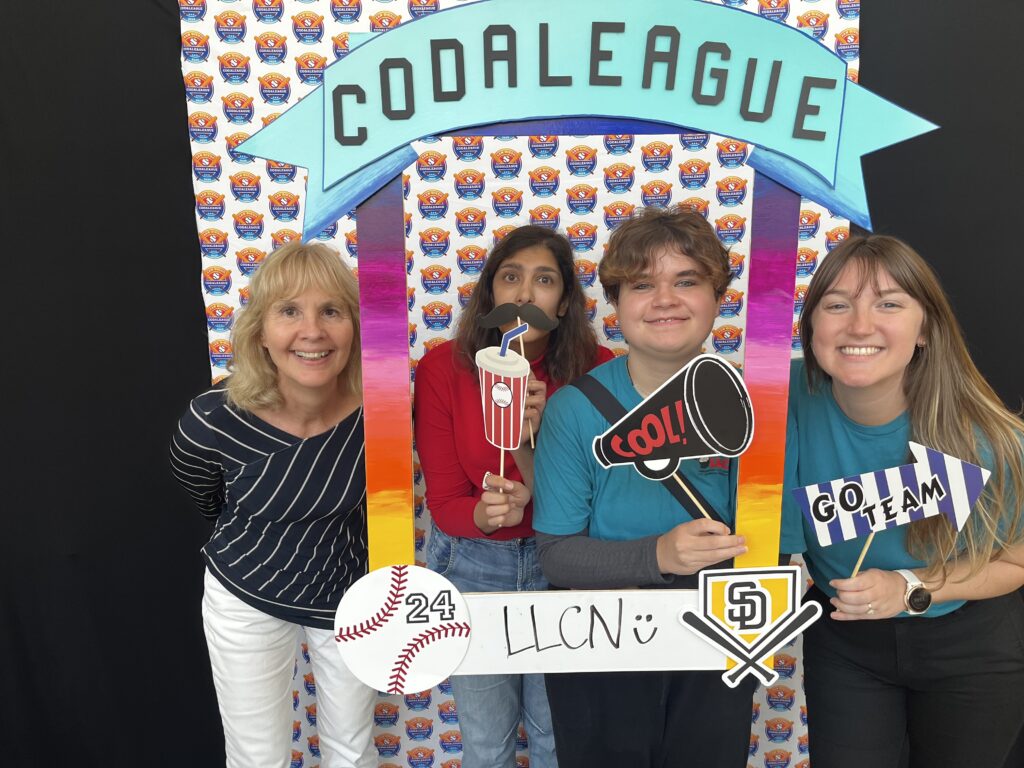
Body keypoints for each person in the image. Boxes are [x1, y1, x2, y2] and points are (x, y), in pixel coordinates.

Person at [532, 206, 803, 767]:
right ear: (615, 302)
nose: (664, 300)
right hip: (600, 643)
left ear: (717, 296)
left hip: (717, 638)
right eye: (641, 285)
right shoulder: (575, 409)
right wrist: (661, 554)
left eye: (686, 281)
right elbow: (558, 557)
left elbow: (778, 542)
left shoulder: (762, 408)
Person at [785, 235, 1024, 768]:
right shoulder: (781, 398)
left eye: (888, 303)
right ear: (813, 327)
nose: (860, 325)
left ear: (924, 330)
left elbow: (1018, 558)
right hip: (845, 643)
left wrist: (911, 588)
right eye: (837, 304)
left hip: (971, 643)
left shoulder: (987, 438)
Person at [169, 242, 376, 768]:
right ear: (260, 331)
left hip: (348, 590)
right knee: (257, 756)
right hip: (246, 593)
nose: (313, 331)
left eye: (331, 310)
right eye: (289, 311)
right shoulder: (211, 420)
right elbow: (205, 497)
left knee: (352, 752)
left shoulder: (386, 409)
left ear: (354, 326)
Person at [414, 225, 614, 768]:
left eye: (544, 280)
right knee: (486, 743)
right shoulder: (443, 369)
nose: (525, 294)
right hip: (473, 567)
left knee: (557, 738)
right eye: (511, 277)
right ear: (491, 293)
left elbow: (605, 497)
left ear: (565, 300)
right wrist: (482, 513)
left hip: (565, 566)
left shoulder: (598, 369)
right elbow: (445, 500)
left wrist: (541, 435)